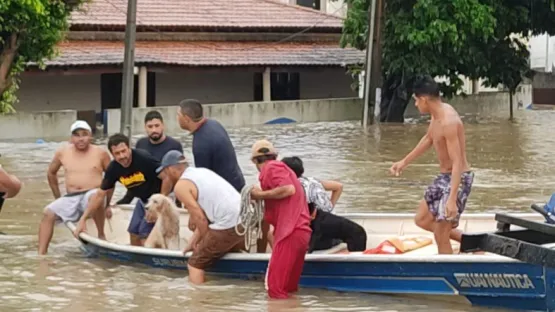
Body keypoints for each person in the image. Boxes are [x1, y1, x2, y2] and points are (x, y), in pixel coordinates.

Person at [390, 75, 474, 254]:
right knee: (421, 219)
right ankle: (469, 242)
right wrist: (404, 162)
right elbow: (429, 138)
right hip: (444, 177)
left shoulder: (448, 121)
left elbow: (457, 161)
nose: (415, 105)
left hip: (457, 178)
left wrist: (452, 199)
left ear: (424, 99)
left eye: (416, 100)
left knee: (441, 235)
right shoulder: (436, 115)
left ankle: (448, 271)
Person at [157, 150, 245, 284]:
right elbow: (205, 214)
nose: (165, 176)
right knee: (216, 250)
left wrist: (203, 244)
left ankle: (200, 301)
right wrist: (194, 241)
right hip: (244, 219)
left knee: (195, 264)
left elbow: (200, 219)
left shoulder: (181, 186)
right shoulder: (201, 172)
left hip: (228, 224)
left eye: (165, 172)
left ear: (170, 169)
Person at [73, 133, 173, 246]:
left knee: (145, 234)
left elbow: (167, 177)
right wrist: (84, 219)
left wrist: (160, 203)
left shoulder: (143, 158)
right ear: (112, 155)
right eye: (117, 153)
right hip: (142, 200)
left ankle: (149, 259)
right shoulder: (113, 168)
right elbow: (100, 194)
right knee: (133, 232)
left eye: (124, 151)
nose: (122, 156)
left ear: (129, 148)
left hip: (158, 200)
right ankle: (135, 261)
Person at [249, 140, 311, 299]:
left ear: (255, 161)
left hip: (290, 233)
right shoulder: (284, 170)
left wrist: (259, 195)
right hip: (301, 233)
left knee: (274, 289)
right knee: (289, 289)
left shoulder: (271, 168)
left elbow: (288, 189)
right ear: (275, 156)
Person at [39, 120, 111, 255]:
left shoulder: (101, 153)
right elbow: (51, 173)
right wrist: (57, 197)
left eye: (84, 134)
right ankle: (41, 255)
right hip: (71, 196)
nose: (81, 138)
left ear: (90, 136)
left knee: (96, 196)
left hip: (94, 194)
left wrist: (109, 204)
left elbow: (111, 178)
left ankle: (101, 234)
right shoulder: (62, 152)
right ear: (71, 138)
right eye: (77, 135)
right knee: (48, 212)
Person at [281, 156, 367, 253]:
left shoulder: (294, 188)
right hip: (333, 232)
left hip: (324, 237)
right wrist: (330, 207)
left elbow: (307, 217)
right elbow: (339, 186)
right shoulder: (312, 180)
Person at [177, 99, 245, 192]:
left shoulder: (201, 144)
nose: (177, 118)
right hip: (238, 183)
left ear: (187, 119)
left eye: (178, 115)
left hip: (225, 192)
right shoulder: (214, 124)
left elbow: (204, 181)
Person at [117, 110, 183, 205]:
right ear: (145, 128)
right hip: (145, 194)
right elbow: (136, 173)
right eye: (150, 126)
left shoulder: (174, 145)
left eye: (157, 126)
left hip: (168, 194)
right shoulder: (141, 144)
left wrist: (178, 200)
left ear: (163, 126)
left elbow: (178, 175)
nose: (154, 130)